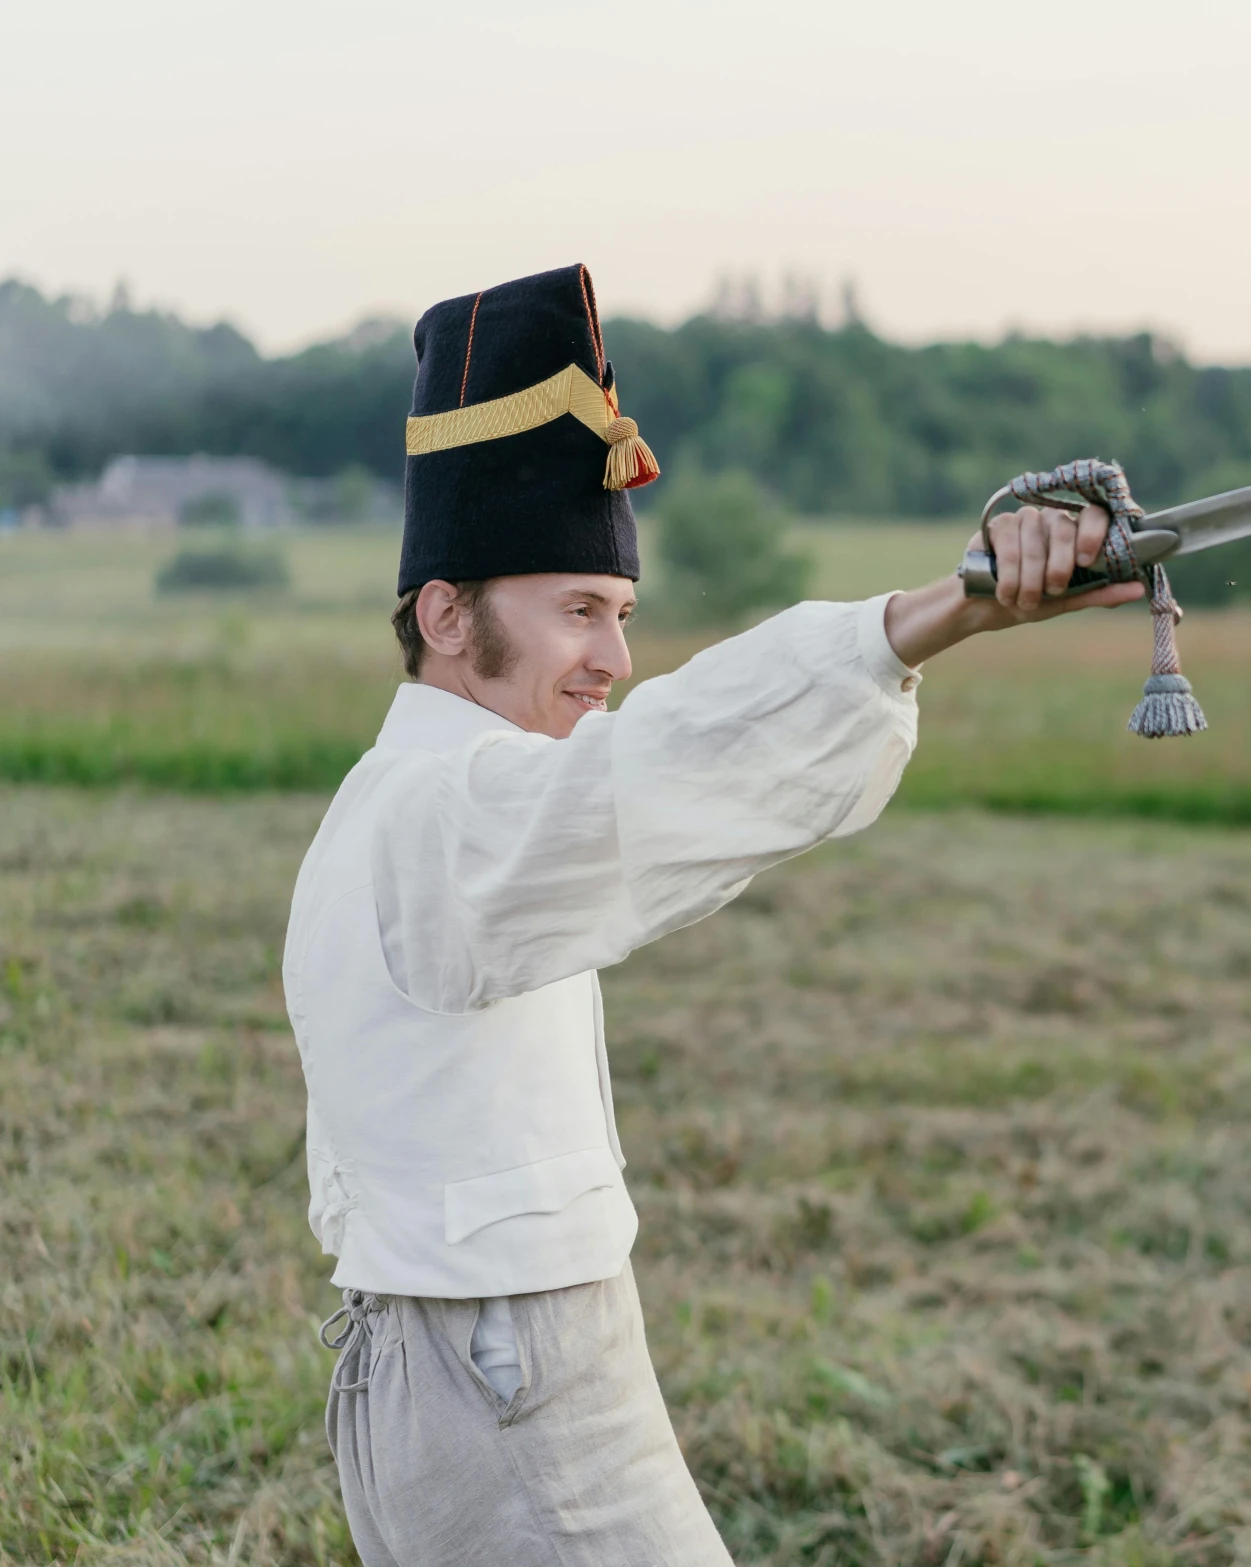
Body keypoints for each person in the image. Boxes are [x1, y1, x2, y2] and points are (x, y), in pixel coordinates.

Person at [283, 264, 1138, 1566]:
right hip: (493, 1369)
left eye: (620, 615)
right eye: (579, 611)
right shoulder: (438, 813)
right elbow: (654, 766)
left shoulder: (443, 792)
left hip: (507, 1349)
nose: (617, 660)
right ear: (445, 615)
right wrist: (937, 613)